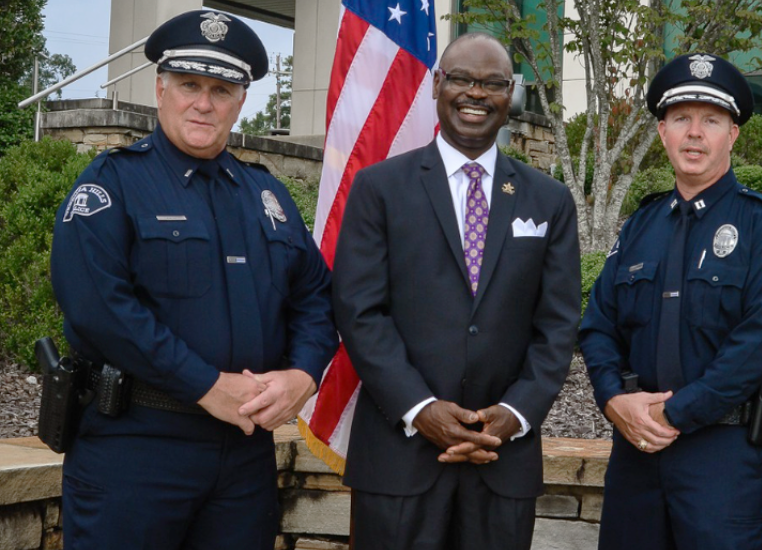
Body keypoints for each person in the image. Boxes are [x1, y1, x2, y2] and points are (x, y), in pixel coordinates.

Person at [49, 10, 339, 550]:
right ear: (161, 89)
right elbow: (99, 308)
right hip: (136, 449)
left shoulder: (264, 197)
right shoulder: (114, 184)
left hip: (243, 456)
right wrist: (204, 384)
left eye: (222, 89)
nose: (204, 103)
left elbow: (315, 296)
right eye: (189, 85)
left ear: (241, 100)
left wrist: (304, 374)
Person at [331, 32, 581, 550]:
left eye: (493, 84)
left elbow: (557, 324)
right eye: (463, 79)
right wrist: (420, 408)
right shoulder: (379, 188)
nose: (476, 94)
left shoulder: (549, 200)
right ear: (438, 85)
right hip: (400, 460)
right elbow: (360, 312)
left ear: (509, 98)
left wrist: (513, 415)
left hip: (502, 458)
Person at [579, 53, 762, 549]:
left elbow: (759, 346)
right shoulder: (640, 227)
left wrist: (675, 413)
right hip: (636, 452)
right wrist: (613, 399)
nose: (695, 133)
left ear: (733, 135)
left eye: (711, 120)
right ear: (663, 132)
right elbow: (598, 325)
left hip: (720, 457)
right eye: (682, 119)